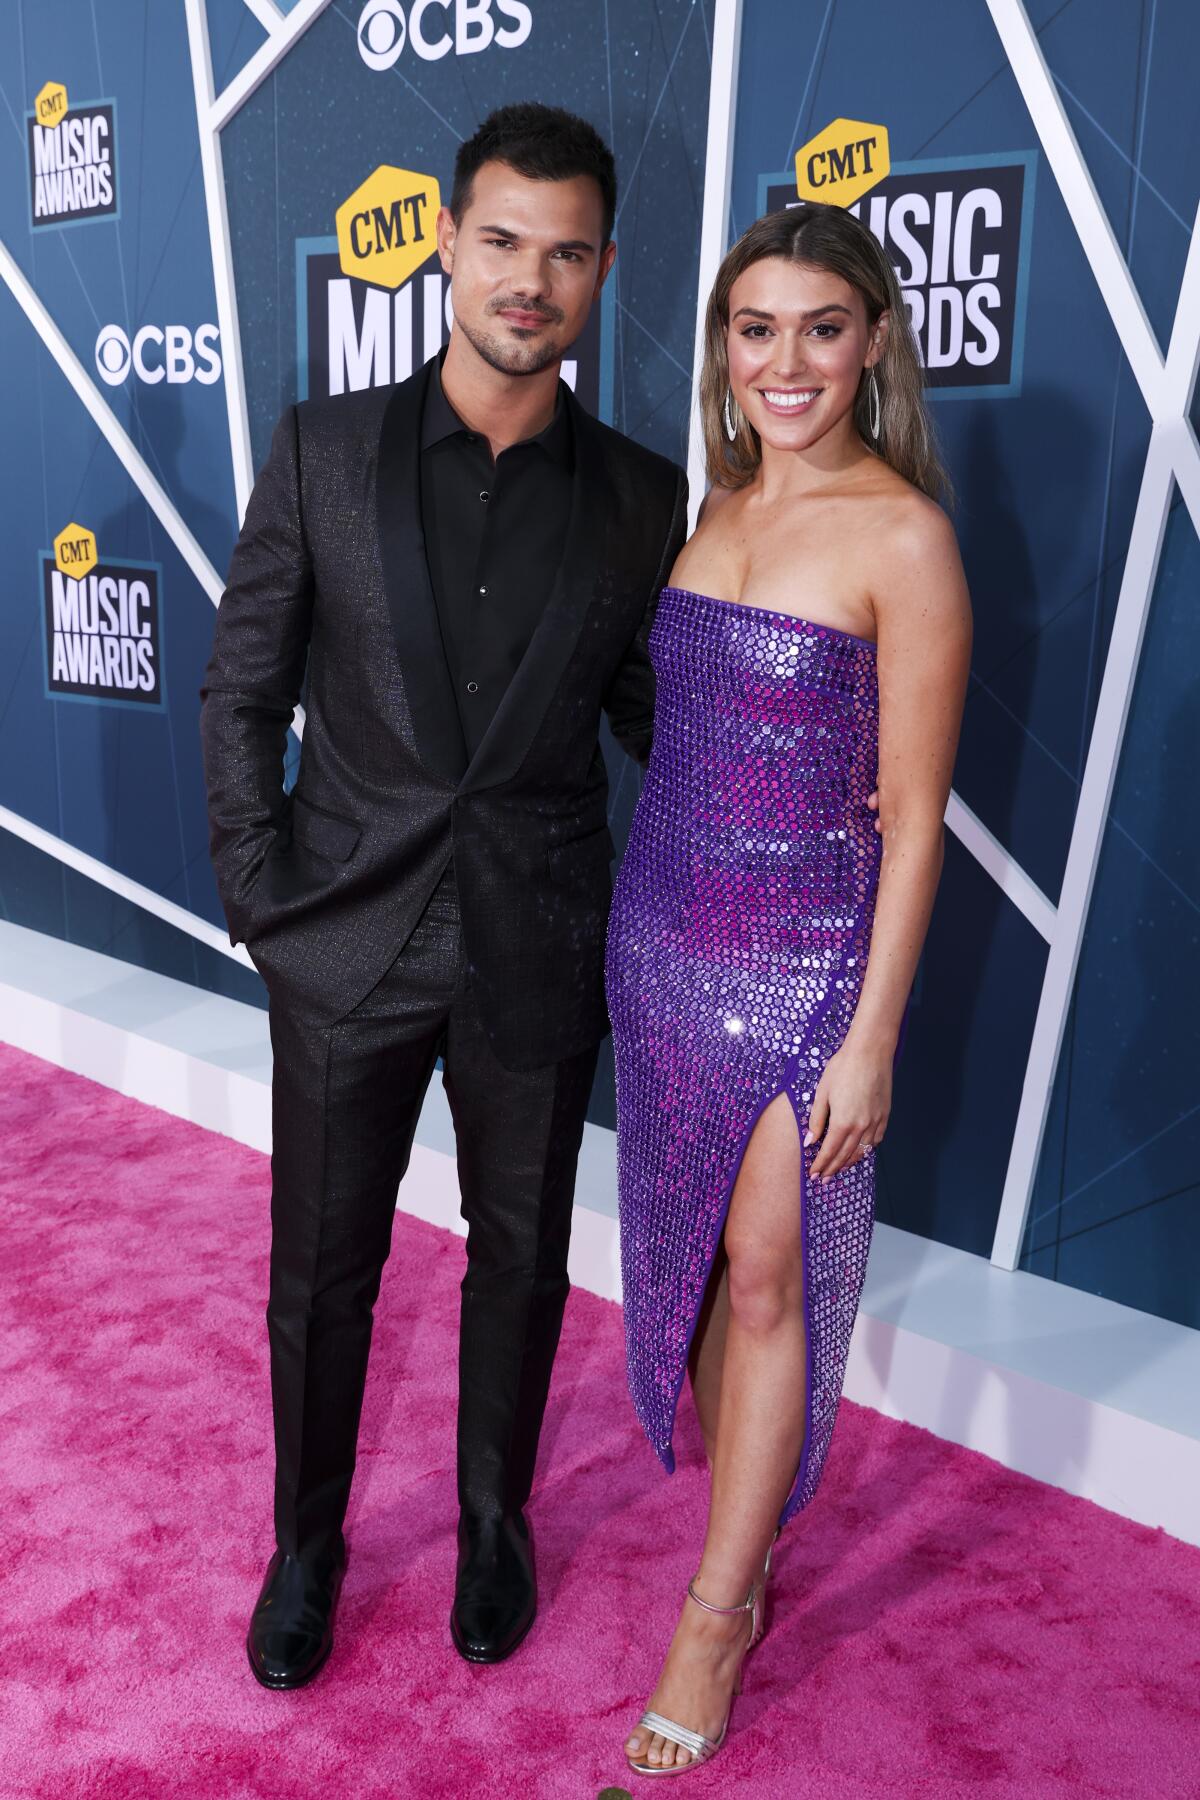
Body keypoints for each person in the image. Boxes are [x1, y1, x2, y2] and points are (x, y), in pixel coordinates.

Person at [199, 103, 688, 1688]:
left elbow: (650, 713)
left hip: (537, 936)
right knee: (321, 1270)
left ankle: (495, 1522)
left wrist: (795, 776)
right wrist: (261, 896)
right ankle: (307, 1547)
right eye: (501, 242)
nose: (527, 281)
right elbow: (237, 693)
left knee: (525, 1254)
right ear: (447, 244)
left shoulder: (641, 495)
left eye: (563, 252)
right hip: (341, 935)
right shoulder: (321, 448)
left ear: (602, 269)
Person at [605, 202, 972, 1774]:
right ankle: (736, 1535)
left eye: (823, 327)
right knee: (691, 1263)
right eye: (758, 330)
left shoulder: (904, 536)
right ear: (725, 352)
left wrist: (872, 1035)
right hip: (661, 945)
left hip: (805, 965)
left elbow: (915, 815)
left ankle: (720, 1607)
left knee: (766, 1272)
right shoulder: (718, 505)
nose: (789, 360)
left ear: (875, 341)